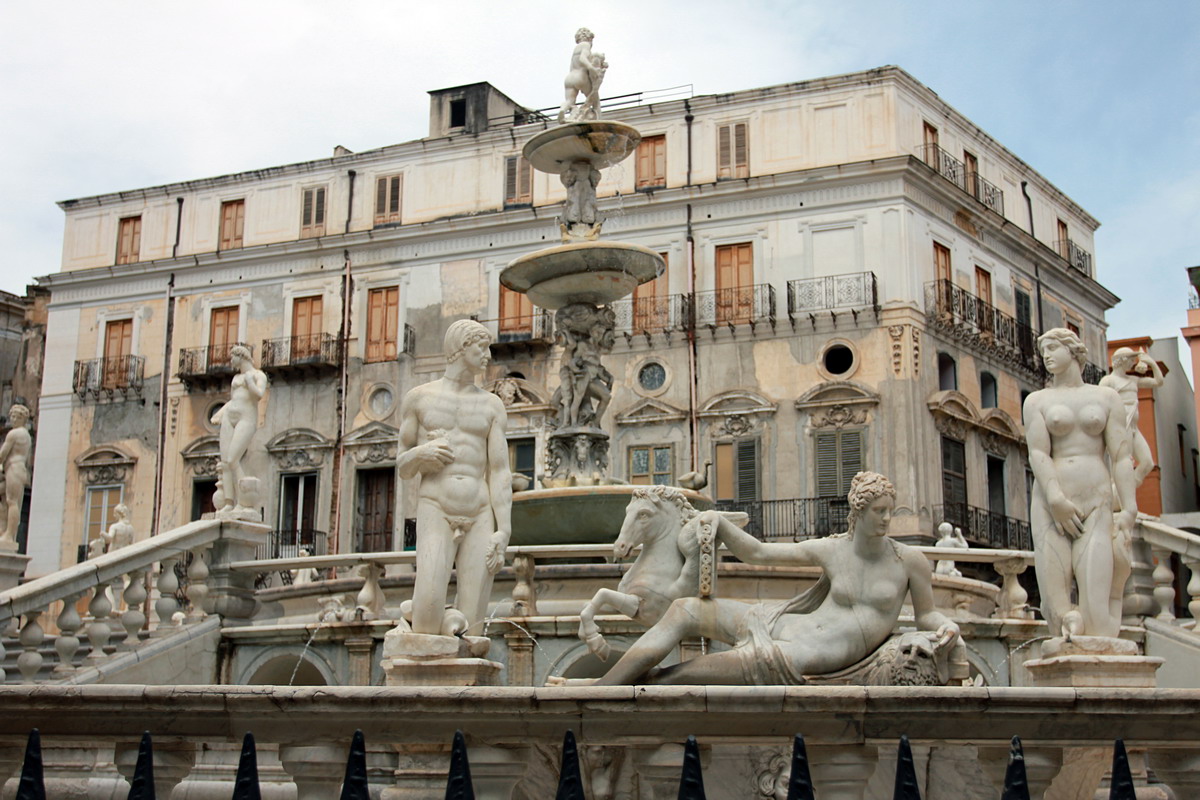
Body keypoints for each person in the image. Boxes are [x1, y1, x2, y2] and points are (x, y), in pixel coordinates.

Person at [595, 471, 959, 685]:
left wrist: (945, 625)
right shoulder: (833, 550)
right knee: (684, 610)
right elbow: (759, 553)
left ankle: (638, 683)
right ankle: (605, 685)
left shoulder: (908, 560)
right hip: (786, 623)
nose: (885, 519)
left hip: (813, 652)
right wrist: (720, 523)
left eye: (889, 512)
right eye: (878, 511)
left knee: (693, 674)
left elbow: (926, 613)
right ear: (858, 513)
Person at [397, 319, 512, 636]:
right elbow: (402, 466)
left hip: (479, 512)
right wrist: (421, 454)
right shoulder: (420, 398)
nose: (488, 355)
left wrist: (504, 530)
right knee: (428, 615)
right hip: (436, 507)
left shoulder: (492, 405)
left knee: (474, 626)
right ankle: (421, 611)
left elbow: (500, 472)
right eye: (482, 347)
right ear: (462, 348)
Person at [1024, 328, 1135, 639]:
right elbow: (1038, 453)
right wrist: (1056, 498)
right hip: (1051, 502)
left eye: (1053, 347)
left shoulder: (1106, 397)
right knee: (1054, 605)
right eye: (1043, 349)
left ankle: (1109, 609)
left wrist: (1130, 508)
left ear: (1073, 352)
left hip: (1096, 499)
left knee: (1096, 613)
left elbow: (1122, 455)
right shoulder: (1037, 401)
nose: (1046, 355)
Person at [211, 345, 268, 514]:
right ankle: (229, 502)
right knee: (225, 463)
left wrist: (250, 382)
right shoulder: (235, 378)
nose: (231, 361)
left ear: (240, 356)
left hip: (247, 419)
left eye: (232, 357)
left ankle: (243, 501)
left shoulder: (258, 375)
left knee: (232, 459)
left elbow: (259, 394)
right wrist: (221, 413)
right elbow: (233, 399)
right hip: (230, 416)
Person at [1100, 347, 1164, 486]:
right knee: (1124, 462)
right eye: (1130, 359)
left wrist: (1151, 363)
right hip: (1121, 426)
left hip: (1133, 427)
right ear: (1121, 361)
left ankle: (1125, 491)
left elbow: (1158, 382)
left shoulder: (1133, 380)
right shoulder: (1108, 381)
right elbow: (1100, 403)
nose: (1133, 363)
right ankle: (1120, 496)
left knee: (1147, 463)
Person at [0, 404, 32, 545]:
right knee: (11, 502)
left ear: (22, 419)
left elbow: (3, 454)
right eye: (12, 416)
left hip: (13, 468)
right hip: (19, 470)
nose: (12, 419)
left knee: (12, 502)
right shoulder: (26, 435)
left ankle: (9, 535)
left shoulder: (13, 433)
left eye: (16, 417)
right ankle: (6, 531)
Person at [558, 28, 605, 123]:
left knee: (570, 101)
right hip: (581, 77)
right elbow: (582, 59)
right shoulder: (586, 45)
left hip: (569, 78)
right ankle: (599, 123)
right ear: (590, 38)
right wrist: (592, 69)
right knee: (596, 101)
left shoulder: (576, 48)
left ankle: (562, 110)